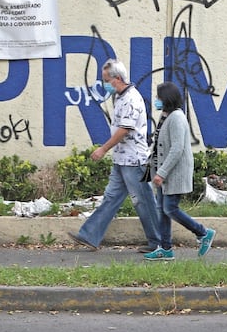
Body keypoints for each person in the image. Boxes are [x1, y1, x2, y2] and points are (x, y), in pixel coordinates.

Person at [68, 58, 161, 252]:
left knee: (143, 201)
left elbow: (124, 130)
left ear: (117, 78)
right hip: (122, 159)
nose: (104, 85)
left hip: (134, 161)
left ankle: (158, 243)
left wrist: (103, 149)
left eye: (106, 81)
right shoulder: (120, 96)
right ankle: (89, 236)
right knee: (111, 198)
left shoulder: (131, 99)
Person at [143, 81, 216, 261]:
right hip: (162, 172)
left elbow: (177, 149)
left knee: (170, 208)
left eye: (159, 97)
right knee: (162, 209)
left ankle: (203, 232)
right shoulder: (166, 116)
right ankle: (165, 248)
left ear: (167, 98)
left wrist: (162, 173)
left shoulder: (176, 118)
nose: (156, 100)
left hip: (173, 173)